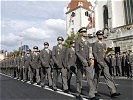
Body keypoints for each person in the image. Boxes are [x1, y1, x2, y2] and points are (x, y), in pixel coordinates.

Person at [92, 30, 120, 98]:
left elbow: (104, 54)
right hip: (98, 63)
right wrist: (98, 61)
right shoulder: (95, 44)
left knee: (108, 76)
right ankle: (94, 91)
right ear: (97, 36)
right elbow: (94, 54)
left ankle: (113, 92)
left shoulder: (104, 44)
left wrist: (108, 53)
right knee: (96, 78)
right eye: (99, 35)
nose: (100, 36)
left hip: (104, 62)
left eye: (101, 35)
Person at [75, 27, 96, 100]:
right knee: (79, 79)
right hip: (80, 63)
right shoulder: (77, 41)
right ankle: (78, 93)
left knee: (90, 78)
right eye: (84, 32)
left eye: (86, 32)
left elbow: (90, 52)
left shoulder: (88, 42)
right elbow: (77, 52)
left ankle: (92, 95)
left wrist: (91, 59)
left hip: (88, 63)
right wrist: (82, 60)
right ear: (80, 33)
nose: (85, 33)